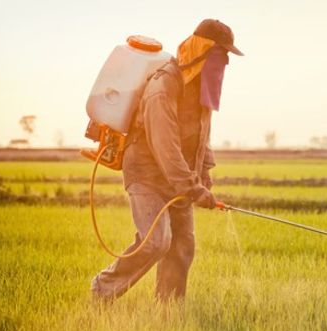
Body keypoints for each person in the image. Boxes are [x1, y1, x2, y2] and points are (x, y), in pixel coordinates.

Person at [91, 19, 243, 303]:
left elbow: (202, 135)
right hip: (147, 172)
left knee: (183, 245)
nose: (225, 63)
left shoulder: (202, 84)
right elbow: (165, 145)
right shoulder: (165, 83)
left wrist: (204, 174)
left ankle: (168, 310)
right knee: (156, 242)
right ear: (203, 49)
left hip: (179, 177)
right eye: (221, 54)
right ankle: (102, 290)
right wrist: (192, 187)